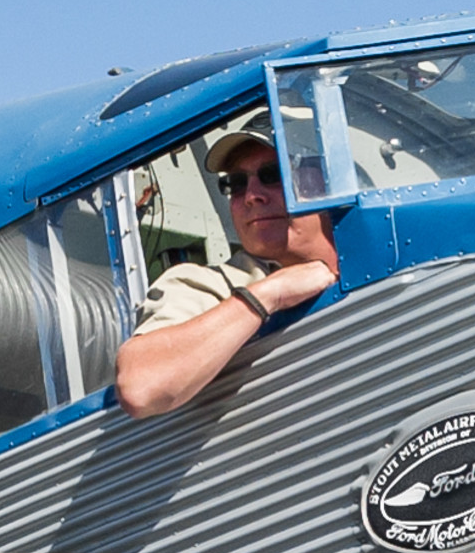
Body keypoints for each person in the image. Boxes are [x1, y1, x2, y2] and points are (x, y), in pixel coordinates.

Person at [115, 116, 338, 418]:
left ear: (329, 182)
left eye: (274, 174)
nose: (251, 196)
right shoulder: (209, 286)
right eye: (236, 183)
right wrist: (270, 294)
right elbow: (141, 387)